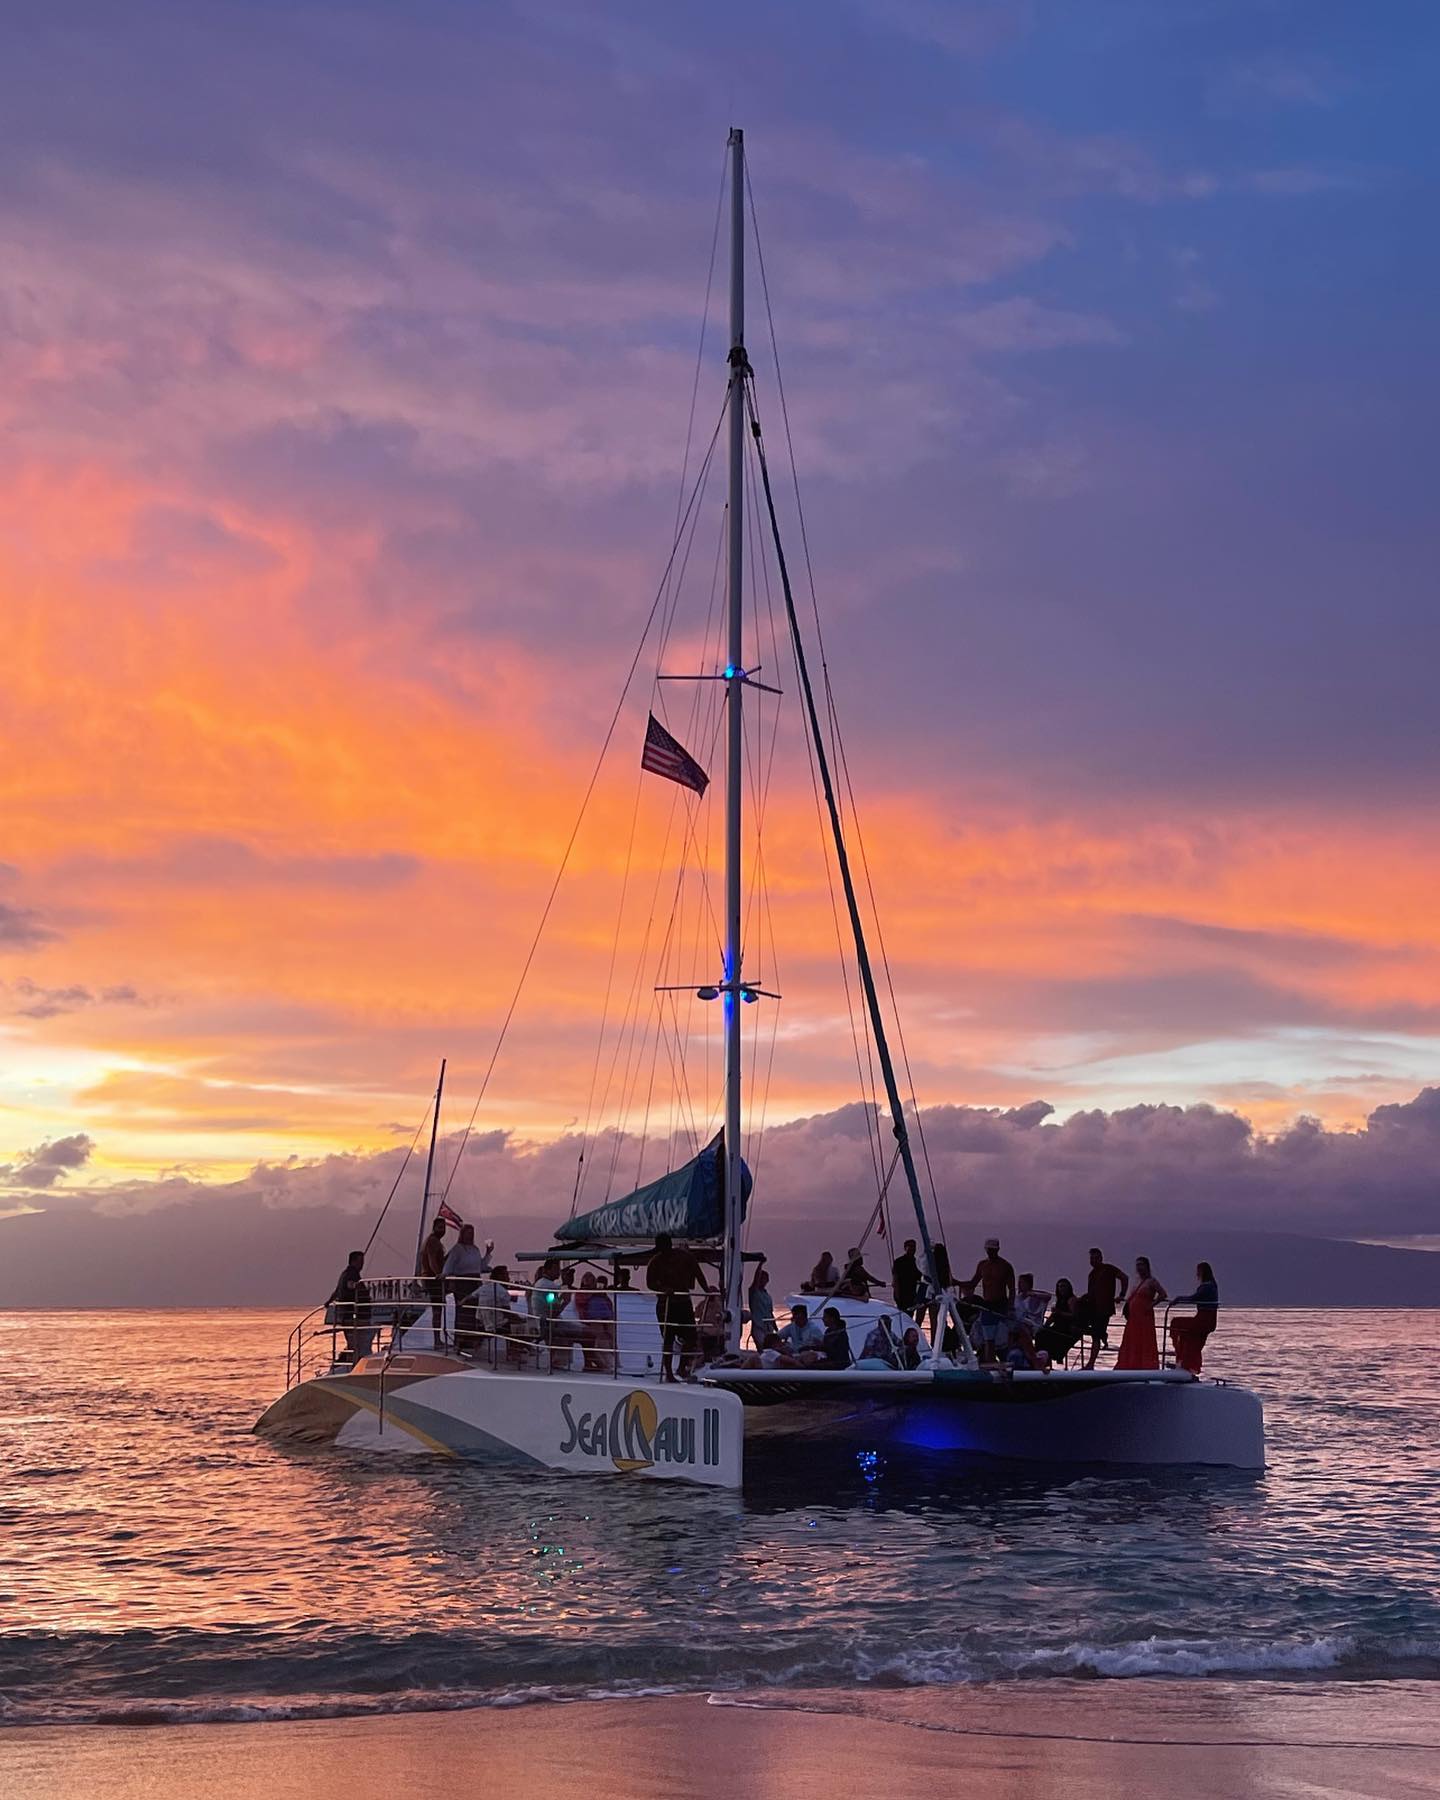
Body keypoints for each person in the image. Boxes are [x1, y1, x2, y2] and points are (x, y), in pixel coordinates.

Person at [646, 1232, 711, 1382]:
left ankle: (682, 1367)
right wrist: (664, 1289)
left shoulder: (685, 1257)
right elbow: (650, 1283)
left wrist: (707, 1290)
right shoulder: (655, 1262)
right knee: (668, 1339)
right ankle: (668, 1373)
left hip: (683, 1302)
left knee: (691, 1337)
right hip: (666, 1305)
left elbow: (698, 1273)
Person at [443, 1224, 493, 1355]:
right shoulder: (458, 1249)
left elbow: (480, 1266)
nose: (470, 1235)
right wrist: (444, 1274)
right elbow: (449, 1264)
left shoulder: (475, 1249)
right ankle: (460, 1339)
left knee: (474, 1311)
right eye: (468, 1233)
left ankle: (472, 1338)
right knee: (463, 1310)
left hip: (475, 1282)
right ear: (462, 1234)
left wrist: (488, 1253)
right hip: (462, 1282)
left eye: (472, 1233)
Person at [1079, 1247, 1129, 1370]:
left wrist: (1122, 1294)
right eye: (1092, 1258)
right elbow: (1092, 1292)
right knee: (1082, 1328)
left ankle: (1090, 1364)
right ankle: (1103, 1336)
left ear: (1101, 1258)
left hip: (1104, 1308)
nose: (1094, 1261)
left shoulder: (1109, 1269)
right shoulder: (1092, 1274)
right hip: (1092, 1308)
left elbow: (1124, 1277)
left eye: (1096, 1258)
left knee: (1095, 1335)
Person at [968, 1237, 1016, 1364]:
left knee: (1004, 1338)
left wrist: (1011, 1308)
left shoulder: (1006, 1266)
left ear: (998, 1249)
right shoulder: (982, 1265)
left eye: (993, 1250)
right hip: (987, 1305)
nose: (991, 1252)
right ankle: (990, 1363)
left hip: (1001, 1305)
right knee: (988, 1339)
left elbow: (1011, 1289)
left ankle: (1007, 1362)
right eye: (989, 1250)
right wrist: (955, 1282)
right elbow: (973, 1282)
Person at [1116, 1256, 1168, 1370]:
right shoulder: (1137, 1282)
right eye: (1137, 1265)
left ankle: (1145, 1365)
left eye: (1141, 1265)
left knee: (1145, 1340)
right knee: (1132, 1339)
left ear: (1147, 1266)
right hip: (1134, 1317)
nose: (1139, 1267)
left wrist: (1151, 1305)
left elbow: (1163, 1294)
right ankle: (1130, 1364)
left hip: (1144, 1316)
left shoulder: (1152, 1281)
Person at [1169, 1262, 1220, 1373]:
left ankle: (1183, 1359)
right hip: (1207, 1319)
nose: (1197, 1273)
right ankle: (1185, 1362)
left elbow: (1194, 1298)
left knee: (1176, 1323)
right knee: (1191, 1339)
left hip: (1204, 1320)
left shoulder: (1207, 1286)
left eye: (1198, 1271)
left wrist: (1179, 1299)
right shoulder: (1212, 1285)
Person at [328, 1250, 373, 1363]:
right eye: (360, 1261)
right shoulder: (351, 1274)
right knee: (358, 1343)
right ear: (354, 1261)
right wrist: (358, 1287)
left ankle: (352, 1360)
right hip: (354, 1315)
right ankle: (356, 1362)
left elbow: (337, 1291)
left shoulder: (344, 1274)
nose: (362, 1265)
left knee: (353, 1343)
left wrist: (328, 1302)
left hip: (346, 1315)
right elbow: (350, 1285)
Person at [575, 1271, 617, 1374]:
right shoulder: (581, 1293)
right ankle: (606, 1363)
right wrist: (592, 1294)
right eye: (586, 1278)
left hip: (606, 1315)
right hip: (593, 1317)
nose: (588, 1280)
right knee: (600, 1336)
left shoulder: (600, 1293)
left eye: (591, 1278)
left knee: (612, 1336)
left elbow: (609, 1302)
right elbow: (581, 1303)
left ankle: (616, 1361)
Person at [1034, 1278, 1083, 1363]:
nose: (1061, 1289)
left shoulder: (1071, 1300)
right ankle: (1042, 1359)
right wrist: (1044, 1326)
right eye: (1059, 1286)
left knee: (1049, 1337)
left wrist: (1060, 1313)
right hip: (1058, 1325)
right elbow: (1053, 1316)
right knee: (1040, 1334)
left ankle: (1051, 1358)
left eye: (1063, 1286)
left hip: (1067, 1327)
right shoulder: (1059, 1300)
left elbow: (1074, 1316)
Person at [417, 1215, 450, 1343]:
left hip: (432, 1278)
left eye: (444, 1227)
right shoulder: (432, 1241)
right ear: (434, 1227)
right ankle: (437, 1339)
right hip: (433, 1280)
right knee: (437, 1310)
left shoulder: (435, 1241)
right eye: (440, 1227)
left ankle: (438, 1338)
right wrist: (439, 1276)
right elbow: (432, 1262)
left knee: (439, 1309)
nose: (443, 1230)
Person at [747, 1266, 776, 1349]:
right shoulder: (753, 1292)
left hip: (769, 1327)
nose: (762, 1281)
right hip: (758, 1326)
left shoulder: (767, 1295)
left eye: (764, 1279)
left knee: (771, 1348)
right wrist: (760, 1264)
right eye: (761, 1278)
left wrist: (775, 1327)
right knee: (762, 1348)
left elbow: (770, 1312)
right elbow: (755, 1281)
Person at [891, 1239, 921, 1316]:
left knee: (910, 1315)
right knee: (902, 1314)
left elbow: (920, 1277)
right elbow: (895, 1279)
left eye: (914, 1247)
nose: (912, 1248)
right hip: (901, 1293)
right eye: (910, 1246)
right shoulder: (899, 1261)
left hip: (912, 1294)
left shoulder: (917, 1262)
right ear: (905, 1248)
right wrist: (897, 1296)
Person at [696, 1290, 727, 1366]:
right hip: (705, 1329)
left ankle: (709, 1355)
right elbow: (697, 1314)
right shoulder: (703, 1304)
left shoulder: (717, 1305)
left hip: (711, 1329)